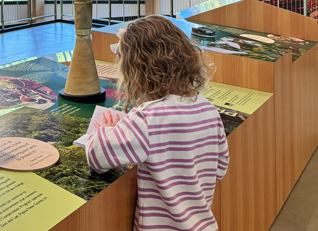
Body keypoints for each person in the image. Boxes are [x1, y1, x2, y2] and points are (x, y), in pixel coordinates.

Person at [85, 15, 229, 231]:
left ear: (137, 72)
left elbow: (97, 156)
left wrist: (105, 131)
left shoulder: (147, 119)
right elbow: (220, 169)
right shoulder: (207, 108)